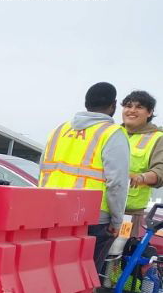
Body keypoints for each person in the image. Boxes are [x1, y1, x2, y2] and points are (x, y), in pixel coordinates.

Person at [39, 82, 130, 275]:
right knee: (82, 276)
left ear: (86, 103)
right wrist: (116, 221)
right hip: (91, 217)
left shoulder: (59, 130)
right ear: (113, 105)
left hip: (52, 213)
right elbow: (117, 183)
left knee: (50, 273)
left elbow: (43, 170)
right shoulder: (112, 133)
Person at [121, 90, 163, 237]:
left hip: (128, 213)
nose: (131, 110)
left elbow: (160, 172)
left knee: (116, 256)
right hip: (99, 208)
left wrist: (141, 178)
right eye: (128, 106)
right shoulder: (112, 132)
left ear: (149, 112)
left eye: (139, 107)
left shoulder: (157, 138)